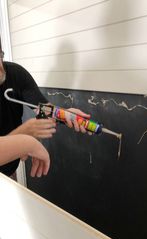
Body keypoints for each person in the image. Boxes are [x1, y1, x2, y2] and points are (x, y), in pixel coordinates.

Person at [0, 43, 90, 177]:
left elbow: (42, 108)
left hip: (9, 170)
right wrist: (24, 136)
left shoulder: (15, 74)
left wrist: (64, 115)